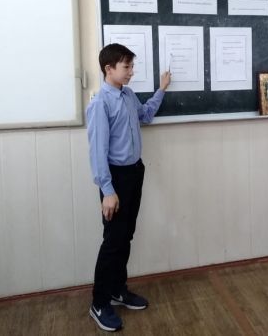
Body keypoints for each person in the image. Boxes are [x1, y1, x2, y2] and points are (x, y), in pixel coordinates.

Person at [86, 43, 171, 332]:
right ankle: (99, 302)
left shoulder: (128, 95)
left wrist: (161, 90)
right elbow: (97, 152)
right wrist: (108, 190)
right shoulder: (100, 103)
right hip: (116, 179)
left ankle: (117, 289)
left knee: (126, 236)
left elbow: (145, 115)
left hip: (135, 172)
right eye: (126, 67)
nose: (131, 72)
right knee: (113, 241)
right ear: (108, 68)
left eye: (132, 66)